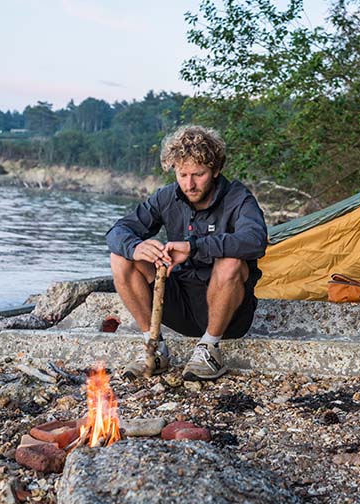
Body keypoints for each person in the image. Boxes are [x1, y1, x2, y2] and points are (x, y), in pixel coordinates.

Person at [106, 125, 268, 381]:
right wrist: (136, 247)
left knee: (232, 261)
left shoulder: (238, 198)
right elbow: (118, 231)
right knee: (122, 257)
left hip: (229, 315)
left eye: (198, 174)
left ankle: (209, 349)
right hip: (178, 301)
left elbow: (256, 241)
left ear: (216, 170)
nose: (189, 184)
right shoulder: (166, 197)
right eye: (182, 175)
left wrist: (194, 246)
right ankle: (154, 346)